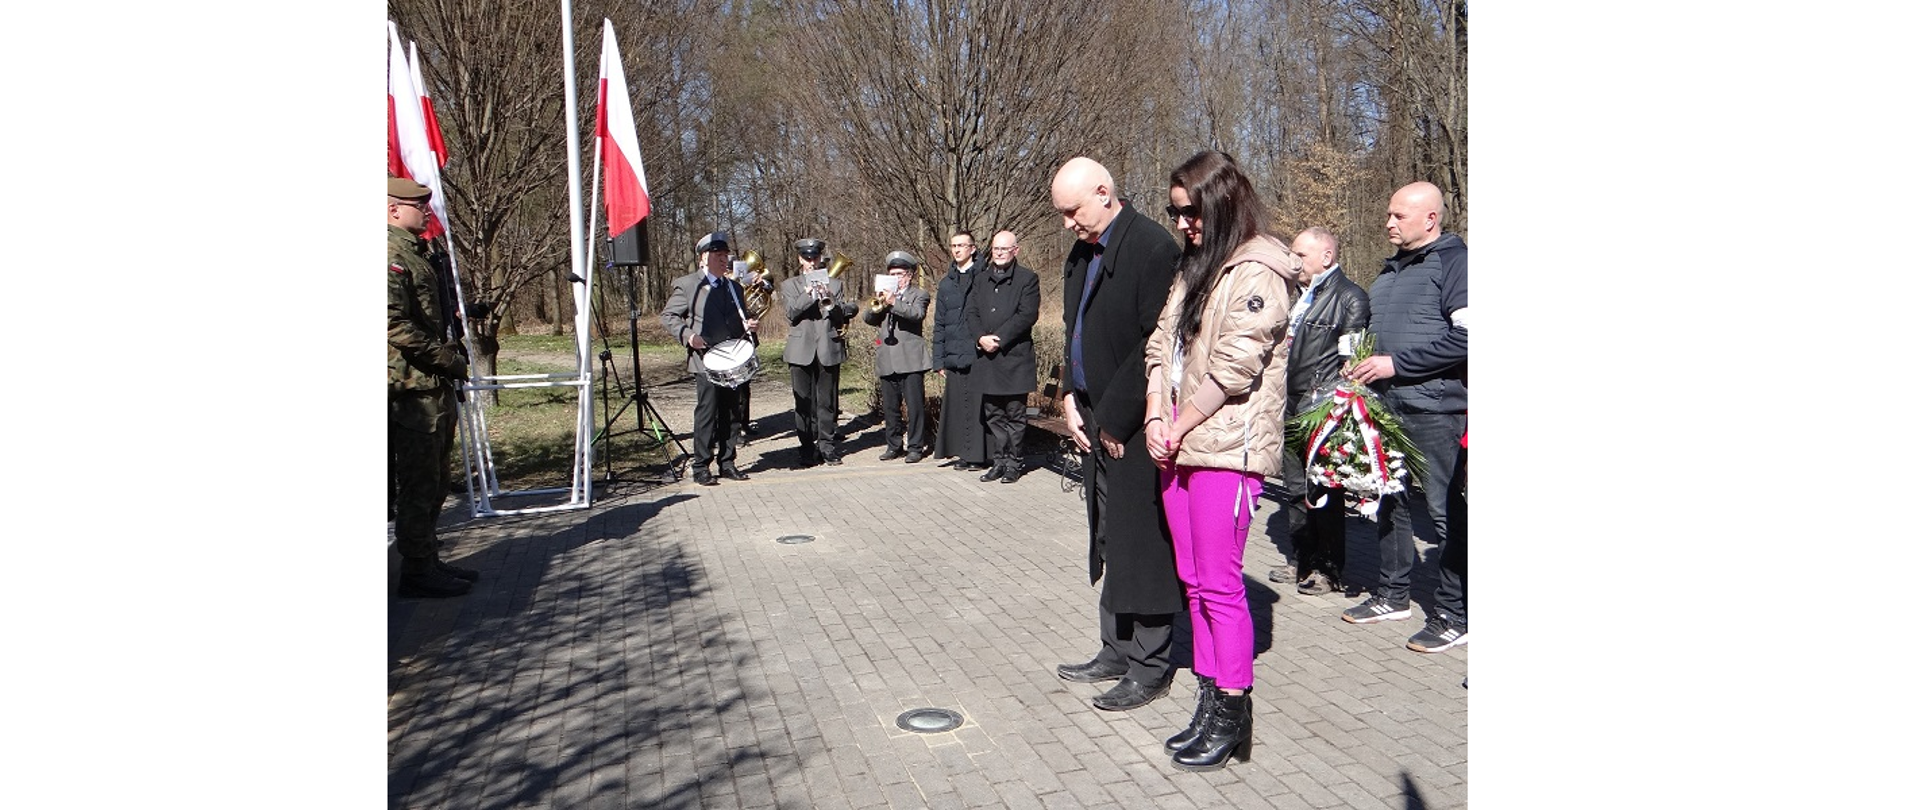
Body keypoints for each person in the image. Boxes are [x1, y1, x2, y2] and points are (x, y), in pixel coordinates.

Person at [1143, 151, 1300, 771]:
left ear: (1223, 203)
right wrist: (1157, 411)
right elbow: (1161, 343)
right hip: (1179, 444)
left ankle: (1232, 706)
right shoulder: (1195, 269)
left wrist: (1178, 423)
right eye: (1175, 212)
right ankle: (1209, 703)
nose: (1182, 224)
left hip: (1224, 448)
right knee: (1193, 582)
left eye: (1191, 212)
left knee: (1220, 585)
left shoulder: (1260, 272)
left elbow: (1235, 368)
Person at [1048, 156, 1183, 712]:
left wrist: (1113, 416)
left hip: (1129, 422)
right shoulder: (1083, 251)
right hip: (1092, 416)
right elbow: (1074, 330)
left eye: (1072, 210)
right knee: (1107, 536)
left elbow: (1155, 345)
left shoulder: (1154, 248)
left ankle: (1151, 663)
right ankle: (1115, 646)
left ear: (1104, 193)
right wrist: (1069, 396)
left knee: (1142, 541)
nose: (1067, 224)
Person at [1340, 181, 1469, 655]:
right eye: (1389, 214)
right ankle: (1392, 595)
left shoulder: (1456, 263)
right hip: (1384, 406)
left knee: (1445, 513)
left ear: (1431, 219)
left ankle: (1455, 613)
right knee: (1388, 501)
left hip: (1435, 408)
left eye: (1399, 216)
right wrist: (1362, 363)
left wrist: (1398, 364)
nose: (1388, 223)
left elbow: (1468, 338)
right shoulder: (1388, 272)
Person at [387, 176, 478, 599]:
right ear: (393, 209)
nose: (426, 212)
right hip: (411, 387)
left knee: (437, 478)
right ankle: (417, 570)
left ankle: (427, 557)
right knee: (420, 481)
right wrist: (446, 359)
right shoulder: (388, 253)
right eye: (419, 206)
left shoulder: (418, 252)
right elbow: (392, 324)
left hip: (430, 384)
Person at [1272, 227, 1370, 596]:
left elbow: (1351, 360)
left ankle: (1328, 568)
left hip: (1323, 407)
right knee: (1295, 488)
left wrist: (1337, 405)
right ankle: (1301, 557)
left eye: (1301, 255)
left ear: (1326, 257)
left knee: (1325, 490)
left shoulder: (1350, 298)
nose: (1293, 262)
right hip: (1291, 403)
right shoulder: (1297, 296)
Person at [660, 231, 759, 486]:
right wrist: (687, 335)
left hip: (732, 360)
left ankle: (727, 462)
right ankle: (701, 465)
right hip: (705, 360)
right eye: (718, 255)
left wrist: (749, 324)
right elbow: (669, 316)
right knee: (707, 412)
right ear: (704, 258)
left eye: (725, 255)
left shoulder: (734, 287)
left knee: (732, 413)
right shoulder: (689, 285)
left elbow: (739, 318)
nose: (723, 259)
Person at [965, 230, 1041, 483]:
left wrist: (997, 339)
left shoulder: (1027, 279)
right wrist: (980, 338)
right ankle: (999, 460)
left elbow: (1027, 315)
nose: (998, 253)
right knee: (993, 414)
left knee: (1014, 415)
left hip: (1014, 359)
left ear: (1015, 251)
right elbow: (971, 312)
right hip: (986, 359)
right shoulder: (980, 279)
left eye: (1004, 249)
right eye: (995, 249)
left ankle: (1014, 462)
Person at [779, 238, 860, 466]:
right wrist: (808, 293)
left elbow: (842, 315)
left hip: (828, 347)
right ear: (800, 260)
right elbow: (792, 313)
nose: (811, 262)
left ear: (820, 258)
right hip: (800, 349)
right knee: (803, 403)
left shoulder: (834, 284)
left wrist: (831, 302)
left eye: (814, 258)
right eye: (807, 258)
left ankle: (827, 446)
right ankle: (806, 448)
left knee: (827, 403)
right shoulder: (790, 285)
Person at [863, 251, 934, 462]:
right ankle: (894, 445)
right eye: (892, 274)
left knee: (915, 407)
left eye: (900, 274)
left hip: (911, 360)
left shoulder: (919, 295)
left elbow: (917, 315)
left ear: (910, 275)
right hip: (887, 358)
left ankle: (915, 447)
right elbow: (868, 318)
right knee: (890, 408)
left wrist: (895, 301)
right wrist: (880, 302)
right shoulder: (882, 296)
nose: (896, 278)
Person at [930, 231, 989, 471]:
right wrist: (939, 360)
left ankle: (979, 455)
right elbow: (939, 324)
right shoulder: (946, 283)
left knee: (977, 407)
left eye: (961, 246)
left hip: (977, 354)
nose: (956, 250)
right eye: (953, 246)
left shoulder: (984, 277)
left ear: (973, 249)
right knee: (957, 408)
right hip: (954, 355)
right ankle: (963, 453)